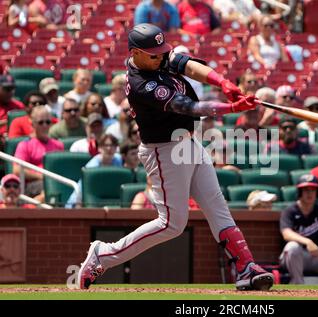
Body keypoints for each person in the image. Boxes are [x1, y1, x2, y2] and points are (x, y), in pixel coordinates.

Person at [77, 23, 274, 291]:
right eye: (153, 53)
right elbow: (188, 106)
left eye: (161, 51)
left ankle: (246, 267)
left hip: (189, 142)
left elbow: (190, 65)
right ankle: (104, 255)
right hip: (164, 150)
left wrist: (224, 83)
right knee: (171, 223)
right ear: (135, 53)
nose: (160, 56)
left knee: (218, 207)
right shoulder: (140, 84)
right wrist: (230, 107)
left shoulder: (157, 58)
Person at [13, 106, 64, 199]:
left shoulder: (59, 145)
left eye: (48, 122)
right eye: (41, 122)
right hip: (33, 185)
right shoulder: (25, 145)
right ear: (32, 123)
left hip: (55, 182)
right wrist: (42, 176)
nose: (45, 126)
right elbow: (17, 170)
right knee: (49, 188)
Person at [66, 134, 122, 208]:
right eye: (106, 145)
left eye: (113, 145)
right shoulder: (92, 166)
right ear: (99, 148)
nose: (109, 148)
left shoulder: (119, 160)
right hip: (87, 203)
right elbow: (81, 187)